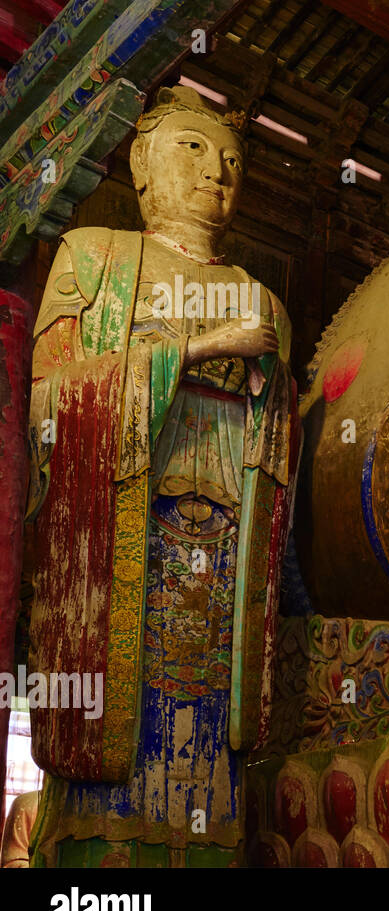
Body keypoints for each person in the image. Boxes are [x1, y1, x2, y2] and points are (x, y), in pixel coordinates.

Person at [24, 86, 296, 867]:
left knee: (206, 774)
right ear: (142, 167)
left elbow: (279, 456)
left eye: (234, 161)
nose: (219, 172)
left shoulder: (263, 298)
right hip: (118, 564)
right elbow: (49, 400)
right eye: (195, 149)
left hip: (220, 581)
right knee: (110, 792)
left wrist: (269, 388)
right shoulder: (94, 256)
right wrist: (198, 353)